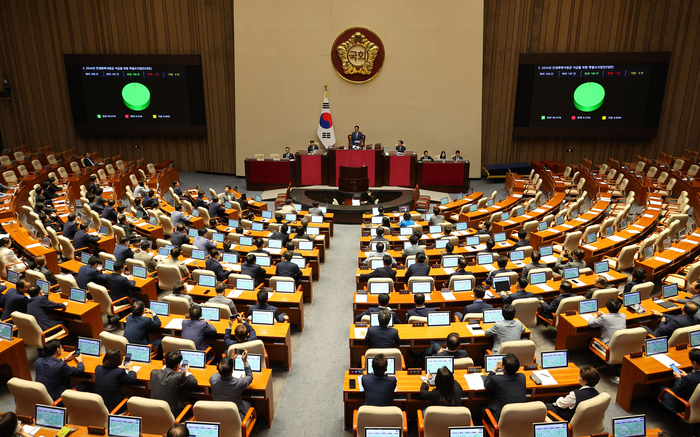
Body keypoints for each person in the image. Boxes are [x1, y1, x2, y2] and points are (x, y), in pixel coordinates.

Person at [150, 351, 198, 416]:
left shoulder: (153, 373)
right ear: (178, 365)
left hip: (154, 410)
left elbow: (165, 374)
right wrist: (187, 372)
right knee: (194, 400)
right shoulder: (179, 376)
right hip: (171, 413)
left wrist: (175, 371)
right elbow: (193, 384)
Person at [484, 353, 527, 421]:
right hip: (519, 417)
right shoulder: (522, 377)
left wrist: (495, 368)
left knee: (481, 408)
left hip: (501, 418)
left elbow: (486, 384)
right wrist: (505, 365)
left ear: (503, 367)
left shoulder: (496, 379)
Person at [210, 354, 253, 419]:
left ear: (217, 367)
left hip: (218, 413)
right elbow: (249, 376)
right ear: (232, 370)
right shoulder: (239, 383)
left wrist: (231, 360)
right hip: (236, 416)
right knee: (251, 401)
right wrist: (245, 361)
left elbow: (221, 371)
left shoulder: (213, 379)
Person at [94, 348, 138, 412]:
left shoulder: (98, 368)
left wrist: (118, 368)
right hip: (116, 407)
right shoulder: (119, 372)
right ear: (119, 361)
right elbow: (133, 380)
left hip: (100, 405)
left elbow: (110, 372)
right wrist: (131, 369)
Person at [658, 348, 700, 413]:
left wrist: (678, 377)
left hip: (684, 405)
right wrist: (687, 376)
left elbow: (676, 390)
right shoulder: (690, 378)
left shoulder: (689, 379)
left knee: (657, 387)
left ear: (695, 363)